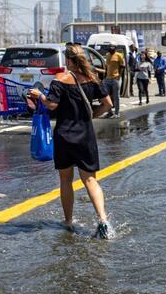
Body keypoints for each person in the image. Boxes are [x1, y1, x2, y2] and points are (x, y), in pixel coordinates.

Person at [26, 44, 114, 238]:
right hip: (86, 135)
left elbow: (51, 104)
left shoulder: (61, 79)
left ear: (67, 60)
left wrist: (39, 95)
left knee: (66, 180)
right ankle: (103, 219)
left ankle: (68, 220)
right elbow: (108, 104)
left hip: (65, 135)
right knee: (90, 179)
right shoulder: (93, 79)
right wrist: (92, 115)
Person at [101, 47, 124, 118]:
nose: (110, 50)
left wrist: (119, 76)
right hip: (107, 79)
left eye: (111, 49)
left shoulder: (119, 55)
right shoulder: (107, 55)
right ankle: (109, 112)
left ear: (114, 49)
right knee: (107, 96)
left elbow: (122, 67)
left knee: (116, 97)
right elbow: (106, 67)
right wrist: (104, 77)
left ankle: (117, 113)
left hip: (115, 79)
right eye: (109, 49)